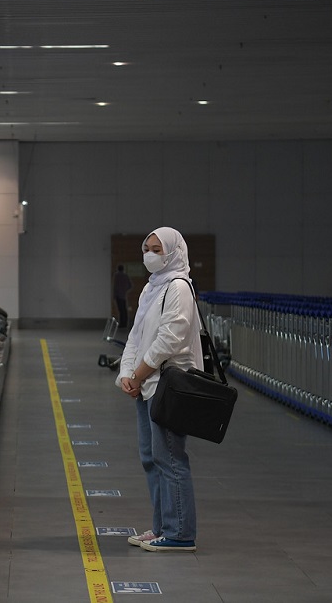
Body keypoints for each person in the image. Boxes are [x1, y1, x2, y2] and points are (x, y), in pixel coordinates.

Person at [116, 227, 203, 552]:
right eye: (147, 248)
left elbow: (171, 338)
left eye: (157, 249)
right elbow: (136, 336)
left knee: (170, 457)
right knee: (151, 458)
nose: (150, 255)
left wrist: (138, 373)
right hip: (147, 385)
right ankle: (162, 527)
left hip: (168, 386)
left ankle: (180, 533)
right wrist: (127, 373)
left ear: (173, 252)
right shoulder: (152, 288)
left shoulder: (178, 287)